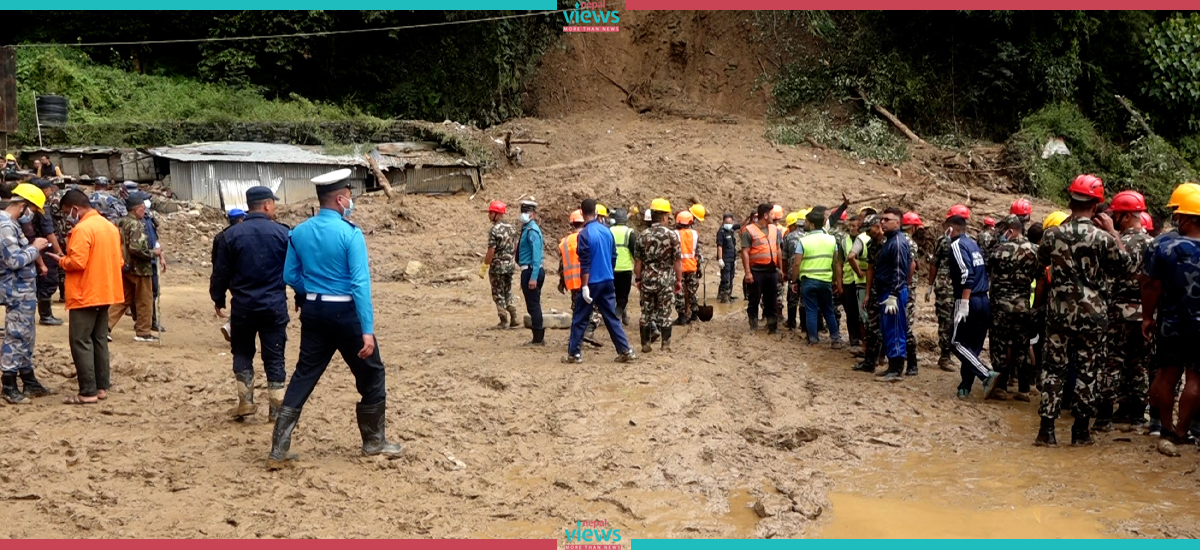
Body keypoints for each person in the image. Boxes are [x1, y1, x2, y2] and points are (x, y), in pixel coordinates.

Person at [269, 168, 403, 467]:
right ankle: (373, 441)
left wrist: (313, 293)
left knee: (305, 373)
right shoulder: (350, 233)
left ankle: (278, 447)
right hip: (345, 312)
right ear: (341, 199)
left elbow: (290, 274)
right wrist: (366, 329)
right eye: (349, 196)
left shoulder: (299, 232)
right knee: (371, 372)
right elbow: (359, 284)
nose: (351, 201)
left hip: (314, 311)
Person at [1035, 175, 1127, 447]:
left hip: (1059, 313)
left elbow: (1041, 263)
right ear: (1097, 206)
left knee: (1053, 370)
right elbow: (1123, 265)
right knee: (1088, 371)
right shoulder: (1101, 238)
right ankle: (1080, 432)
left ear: (1070, 201)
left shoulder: (1052, 234)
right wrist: (1114, 232)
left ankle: (1046, 431)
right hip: (1093, 314)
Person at [211, 186, 291, 421]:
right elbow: (294, 269)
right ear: (266, 205)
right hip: (274, 306)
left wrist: (218, 298)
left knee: (243, 352)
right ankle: (276, 409)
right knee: (275, 356)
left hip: (244, 307)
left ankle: (245, 401)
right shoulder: (283, 234)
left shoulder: (230, 235)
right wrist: (301, 296)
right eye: (273, 204)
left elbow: (220, 272)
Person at [1142, 184, 1200, 454]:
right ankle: (1182, 432)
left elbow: (1151, 285)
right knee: (1196, 380)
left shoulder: (1164, 246)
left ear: (1187, 217)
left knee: (1166, 375)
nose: (1175, 218)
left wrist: (1146, 316)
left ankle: (1165, 428)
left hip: (1172, 322)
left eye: (1177, 213)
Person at [53, 189, 123, 405]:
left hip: (85, 294)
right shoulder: (110, 227)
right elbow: (119, 261)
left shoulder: (82, 230)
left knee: (81, 341)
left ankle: (87, 392)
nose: (67, 216)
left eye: (67, 212)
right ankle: (101, 387)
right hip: (106, 292)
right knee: (99, 340)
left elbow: (77, 262)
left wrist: (61, 260)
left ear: (75, 208)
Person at [563, 199, 636, 364]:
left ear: (582, 213)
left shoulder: (584, 234)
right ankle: (625, 350)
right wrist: (608, 271)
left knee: (580, 317)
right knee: (611, 317)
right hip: (608, 280)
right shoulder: (606, 231)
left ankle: (574, 353)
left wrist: (584, 286)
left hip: (592, 282)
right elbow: (613, 255)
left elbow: (585, 262)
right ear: (596, 212)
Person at [0, 183, 55, 404]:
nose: (32, 216)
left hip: (22, 290)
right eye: (32, 210)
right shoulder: (4, 225)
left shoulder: (11, 224)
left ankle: (28, 379)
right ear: (23, 206)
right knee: (16, 336)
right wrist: (36, 247)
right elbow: (13, 260)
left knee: (26, 335)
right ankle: (9, 384)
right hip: (14, 289)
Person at [944, 209, 997, 394]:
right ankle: (965, 386)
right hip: (984, 299)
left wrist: (964, 302)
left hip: (968, 299)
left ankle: (986, 374)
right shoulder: (974, 244)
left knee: (956, 342)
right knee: (972, 345)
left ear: (951, 229)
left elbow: (967, 274)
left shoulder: (957, 245)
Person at [986, 215, 1039, 402]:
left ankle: (1000, 386)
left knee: (999, 344)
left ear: (1010, 229)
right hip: (1023, 305)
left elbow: (987, 270)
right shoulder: (1034, 250)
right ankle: (1024, 389)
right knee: (1022, 346)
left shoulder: (998, 249)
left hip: (1000, 305)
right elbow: (1040, 276)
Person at [107, 192, 157, 342]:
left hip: (124, 266)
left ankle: (104, 327)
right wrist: (154, 253)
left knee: (122, 299)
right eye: (143, 208)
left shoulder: (120, 222)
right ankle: (143, 331)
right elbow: (136, 248)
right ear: (137, 209)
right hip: (140, 269)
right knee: (145, 300)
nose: (145, 211)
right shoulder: (136, 224)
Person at [872, 208, 914, 382]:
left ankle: (896, 369)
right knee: (888, 330)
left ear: (897, 223)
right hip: (886, 291)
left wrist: (894, 295)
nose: (882, 222)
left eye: (887, 219)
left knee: (896, 330)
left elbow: (899, 271)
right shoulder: (889, 241)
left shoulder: (897, 242)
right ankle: (892, 366)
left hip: (893, 293)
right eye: (882, 219)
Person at [635, 198, 682, 353]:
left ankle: (645, 344)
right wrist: (679, 280)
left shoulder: (642, 235)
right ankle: (665, 344)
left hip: (647, 279)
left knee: (646, 313)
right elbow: (677, 261)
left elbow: (638, 263)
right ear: (664, 217)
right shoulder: (672, 236)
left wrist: (639, 279)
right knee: (665, 312)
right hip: (666, 280)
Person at [793, 209, 843, 348]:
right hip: (825, 280)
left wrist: (794, 280)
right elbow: (835, 262)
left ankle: (813, 339)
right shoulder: (831, 239)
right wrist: (835, 280)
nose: (805, 224)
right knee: (828, 310)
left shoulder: (803, 240)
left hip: (808, 280)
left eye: (807, 222)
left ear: (813, 225)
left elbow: (796, 263)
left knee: (811, 310)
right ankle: (835, 340)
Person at [928, 206, 968, 372]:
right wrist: (930, 285)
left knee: (958, 322)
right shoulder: (944, 240)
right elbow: (934, 263)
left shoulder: (966, 240)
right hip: (945, 287)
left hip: (960, 287)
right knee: (946, 321)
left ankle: (954, 352)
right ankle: (945, 356)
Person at [559, 210, 601, 346]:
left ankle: (575, 337)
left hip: (572, 282)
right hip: (588, 279)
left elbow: (562, 264)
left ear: (571, 223)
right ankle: (588, 331)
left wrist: (562, 282)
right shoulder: (589, 237)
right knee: (595, 308)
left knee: (577, 309)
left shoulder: (565, 241)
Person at [742, 203, 782, 334]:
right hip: (756, 271)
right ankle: (753, 325)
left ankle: (772, 326)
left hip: (771, 271)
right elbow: (745, 252)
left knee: (772, 300)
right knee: (754, 299)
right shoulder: (749, 230)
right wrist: (748, 272)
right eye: (771, 214)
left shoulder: (774, 229)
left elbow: (778, 249)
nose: (773, 216)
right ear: (765, 215)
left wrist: (780, 269)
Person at [852, 216, 885, 372]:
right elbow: (871, 268)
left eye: (869, 230)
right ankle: (869, 362)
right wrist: (867, 292)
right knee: (871, 327)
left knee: (887, 327)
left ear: (877, 226)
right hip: (874, 290)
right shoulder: (872, 244)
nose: (868, 233)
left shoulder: (892, 242)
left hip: (889, 290)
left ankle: (884, 359)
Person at [30, 179, 65, 326]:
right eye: (50, 189)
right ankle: (46, 315)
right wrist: (59, 252)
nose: (52, 192)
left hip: (35, 247)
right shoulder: (42, 208)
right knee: (48, 280)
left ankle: (43, 314)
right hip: (45, 248)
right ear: (44, 191)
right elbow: (49, 232)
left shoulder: (30, 206)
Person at [481, 200, 520, 330]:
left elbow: (491, 250)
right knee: (508, 290)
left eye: (490, 212)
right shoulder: (512, 228)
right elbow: (515, 247)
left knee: (498, 292)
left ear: (496, 214)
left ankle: (503, 320)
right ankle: (514, 316)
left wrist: (485, 266)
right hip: (510, 265)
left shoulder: (494, 230)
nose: (488, 215)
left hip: (497, 266)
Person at [214, 209, 246, 342]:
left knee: (239, 302)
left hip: (228, 277)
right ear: (240, 220)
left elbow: (216, 262)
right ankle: (232, 328)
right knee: (244, 304)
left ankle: (231, 326)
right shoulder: (243, 235)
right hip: (242, 276)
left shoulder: (221, 236)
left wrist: (218, 297)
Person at [517, 200, 545, 346]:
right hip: (528, 270)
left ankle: (538, 338)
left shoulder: (532, 231)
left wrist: (533, 277)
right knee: (532, 304)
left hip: (532, 270)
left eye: (526, 212)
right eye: (522, 212)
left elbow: (536, 256)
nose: (523, 215)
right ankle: (537, 336)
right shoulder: (527, 229)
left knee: (534, 305)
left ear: (533, 214)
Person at [834, 214, 863, 348]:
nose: (852, 229)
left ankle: (864, 340)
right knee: (851, 313)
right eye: (850, 226)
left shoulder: (865, 240)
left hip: (862, 281)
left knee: (862, 313)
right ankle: (854, 340)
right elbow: (839, 263)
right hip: (849, 281)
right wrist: (839, 284)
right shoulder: (845, 241)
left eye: (854, 226)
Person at [673, 210, 702, 325]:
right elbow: (698, 253)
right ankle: (694, 315)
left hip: (678, 268)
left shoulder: (674, 234)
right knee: (692, 291)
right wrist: (699, 267)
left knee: (678, 291)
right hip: (692, 267)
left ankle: (682, 317)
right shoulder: (695, 234)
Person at [609, 208, 637, 325]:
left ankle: (621, 314)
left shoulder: (609, 230)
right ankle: (617, 315)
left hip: (611, 268)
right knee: (623, 295)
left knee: (613, 293)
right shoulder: (629, 232)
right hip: (625, 269)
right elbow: (635, 251)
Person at [782, 211, 806, 332]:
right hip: (807, 272)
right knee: (804, 300)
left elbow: (784, 258)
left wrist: (785, 273)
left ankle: (791, 323)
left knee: (792, 299)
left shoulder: (788, 236)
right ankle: (803, 325)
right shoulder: (809, 235)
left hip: (793, 272)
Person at [716, 213, 739, 303]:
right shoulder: (721, 232)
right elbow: (719, 246)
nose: (728, 224)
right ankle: (724, 297)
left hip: (732, 258)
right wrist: (720, 259)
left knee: (731, 277)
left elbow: (740, 225)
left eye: (730, 222)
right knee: (725, 278)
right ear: (723, 222)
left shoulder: (731, 230)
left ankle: (727, 295)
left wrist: (735, 259)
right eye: (726, 222)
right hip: (725, 259)